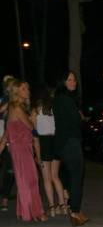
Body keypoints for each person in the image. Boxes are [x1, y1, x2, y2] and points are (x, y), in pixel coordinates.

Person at [0, 80, 47, 222]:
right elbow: (31, 127)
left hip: (22, 148)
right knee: (30, 180)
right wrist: (33, 118)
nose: (27, 91)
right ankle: (36, 213)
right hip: (20, 148)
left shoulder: (15, 108)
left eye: (28, 88)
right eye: (23, 88)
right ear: (17, 92)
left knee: (26, 179)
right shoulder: (16, 108)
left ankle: (24, 211)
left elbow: (6, 134)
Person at [53, 71, 88, 226]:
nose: (74, 82)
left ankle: (72, 208)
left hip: (64, 143)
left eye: (74, 80)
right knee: (77, 176)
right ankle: (75, 211)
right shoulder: (66, 99)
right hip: (70, 142)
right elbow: (75, 120)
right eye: (70, 80)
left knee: (70, 175)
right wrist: (79, 117)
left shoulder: (59, 99)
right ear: (63, 82)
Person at [31, 86, 66, 217]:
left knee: (46, 179)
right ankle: (62, 205)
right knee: (55, 176)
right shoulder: (53, 110)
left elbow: (34, 133)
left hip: (44, 143)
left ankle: (52, 207)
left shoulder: (35, 111)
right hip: (55, 142)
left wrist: (37, 154)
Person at [0, 75, 16, 212]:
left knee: (13, 170)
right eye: (7, 84)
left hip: (16, 139)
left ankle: (6, 197)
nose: (9, 86)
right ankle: (4, 196)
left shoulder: (19, 99)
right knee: (7, 169)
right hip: (5, 138)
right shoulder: (4, 99)